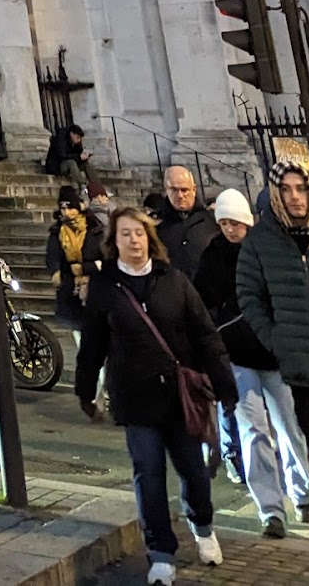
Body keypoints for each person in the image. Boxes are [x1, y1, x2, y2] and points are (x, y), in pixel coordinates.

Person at [75, 204, 234, 584]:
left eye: (140, 232)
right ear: (114, 242)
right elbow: (93, 343)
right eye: (125, 234)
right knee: (148, 473)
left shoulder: (174, 280)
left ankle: (202, 525)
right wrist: (85, 388)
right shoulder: (105, 288)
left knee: (194, 471)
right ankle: (161, 551)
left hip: (180, 398)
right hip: (135, 398)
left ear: (150, 238)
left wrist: (223, 381)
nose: (134, 240)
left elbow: (204, 333)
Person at [195, 187, 309, 538]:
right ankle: (270, 510)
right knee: (253, 431)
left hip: (275, 356)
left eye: (236, 222)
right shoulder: (214, 255)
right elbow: (203, 302)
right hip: (238, 355)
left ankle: (301, 493)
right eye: (225, 222)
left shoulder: (267, 248)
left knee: (290, 427)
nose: (230, 229)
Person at [237, 158, 309, 488]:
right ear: (275, 194)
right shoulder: (261, 241)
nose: (295, 197)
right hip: (304, 374)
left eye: (301, 188)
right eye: (286, 189)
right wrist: (278, 342)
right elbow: (249, 296)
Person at [45, 185, 104, 344]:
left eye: (70, 208)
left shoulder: (95, 228)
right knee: (78, 330)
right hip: (70, 286)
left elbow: (106, 258)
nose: (66, 213)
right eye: (63, 208)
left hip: (93, 284)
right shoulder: (58, 231)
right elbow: (52, 254)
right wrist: (55, 271)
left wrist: (86, 268)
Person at [144, 166, 217, 278]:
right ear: (165, 190)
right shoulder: (152, 223)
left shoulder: (212, 219)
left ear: (194, 189)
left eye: (184, 190)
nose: (180, 196)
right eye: (174, 190)